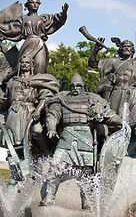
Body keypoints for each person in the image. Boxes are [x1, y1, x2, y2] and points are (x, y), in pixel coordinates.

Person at [40, 73, 125, 206]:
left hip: (86, 140)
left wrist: (122, 122)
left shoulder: (92, 100)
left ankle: (87, 201)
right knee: (55, 167)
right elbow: (53, 115)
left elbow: (108, 115)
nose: (75, 88)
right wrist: (51, 128)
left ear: (83, 87)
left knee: (87, 174)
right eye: (73, 86)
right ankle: (49, 197)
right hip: (66, 138)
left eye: (78, 86)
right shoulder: (62, 99)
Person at [88, 37, 136, 164]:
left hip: (132, 95)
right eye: (124, 46)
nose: (126, 48)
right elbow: (92, 63)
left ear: (133, 50)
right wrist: (96, 49)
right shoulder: (113, 62)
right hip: (114, 95)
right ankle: (104, 151)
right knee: (109, 125)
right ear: (119, 49)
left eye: (129, 46)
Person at [0, 55, 60, 183]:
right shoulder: (12, 82)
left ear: (32, 65)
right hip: (14, 113)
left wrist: (38, 110)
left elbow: (45, 97)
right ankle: (15, 174)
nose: (25, 64)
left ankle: (45, 152)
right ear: (19, 65)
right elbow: (5, 101)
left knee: (37, 131)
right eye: (22, 62)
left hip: (30, 112)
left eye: (27, 63)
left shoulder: (37, 80)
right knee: (13, 144)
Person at [0, 0, 69, 75]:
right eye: (32, 2)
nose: (35, 4)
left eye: (37, 3)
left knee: (39, 70)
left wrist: (64, 14)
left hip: (40, 45)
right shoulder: (23, 19)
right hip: (27, 45)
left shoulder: (44, 18)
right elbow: (11, 29)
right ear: (28, 5)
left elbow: (58, 21)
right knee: (22, 70)